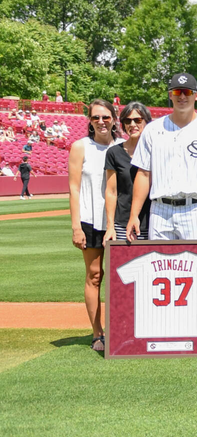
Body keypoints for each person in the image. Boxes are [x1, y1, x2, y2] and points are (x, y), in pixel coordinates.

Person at [127, 73, 197, 241]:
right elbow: (144, 174)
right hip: (160, 210)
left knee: (196, 258)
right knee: (159, 259)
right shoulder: (153, 130)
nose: (182, 96)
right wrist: (134, 215)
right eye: (177, 92)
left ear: (196, 95)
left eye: (187, 92)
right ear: (170, 94)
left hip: (196, 209)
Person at [68, 99, 119, 353]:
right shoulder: (80, 147)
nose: (101, 121)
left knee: (122, 276)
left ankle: (122, 328)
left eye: (105, 117)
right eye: (96, 117)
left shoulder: (123, 146)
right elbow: (74, 188)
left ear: (114, 118)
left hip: (118, 221)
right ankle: (97, 332)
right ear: (89, 120)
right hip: (90, 220)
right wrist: (76, 226)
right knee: (94, 275)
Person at [104, 102, 152, 243]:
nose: (132, 124)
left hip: (153, 222)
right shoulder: (114, 153)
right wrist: (110, 226)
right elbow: (111, 192)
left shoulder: (156, 152)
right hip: (123, 224)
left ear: (147, 122)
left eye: (138, 120)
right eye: (127, 121)